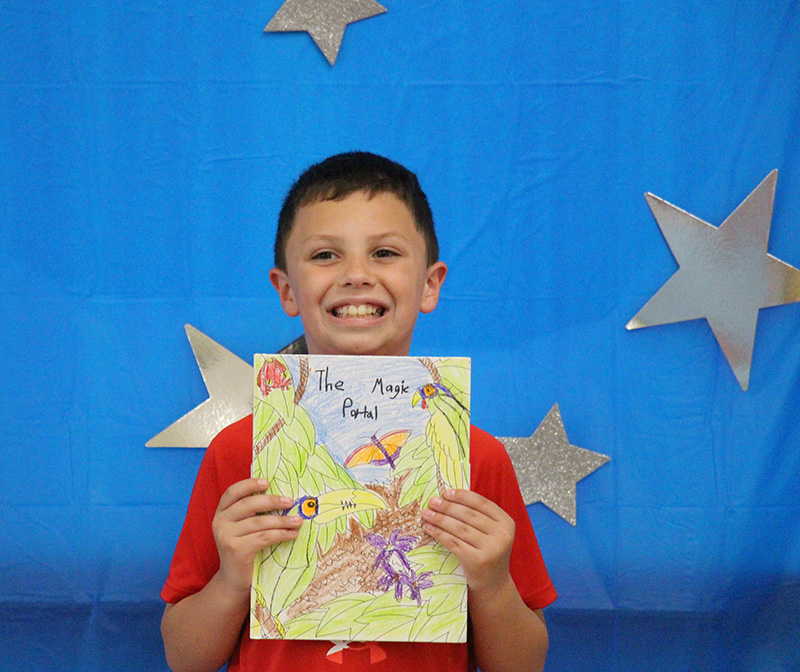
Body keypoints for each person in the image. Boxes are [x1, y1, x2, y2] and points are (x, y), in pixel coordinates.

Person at [160, 152, 557, 672]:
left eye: (385, 252)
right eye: (325, 255)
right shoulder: (239, 452)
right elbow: (184, 659)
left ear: (431, 284)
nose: (356, 276)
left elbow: (523, 665)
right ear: (286, 290)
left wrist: (493, 582)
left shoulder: (477, 459)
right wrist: (233, 578)